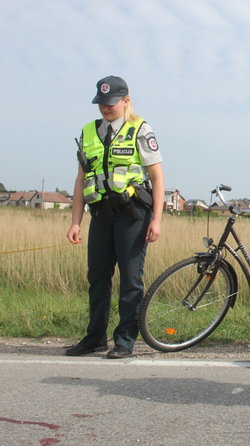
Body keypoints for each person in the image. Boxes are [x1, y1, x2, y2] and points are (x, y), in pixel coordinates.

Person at [66, 75, 165, 359]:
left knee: (131, 279)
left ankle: (125, 340)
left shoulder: (140, 129)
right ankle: (95, 338)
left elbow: (157, 179)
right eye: (101, 103)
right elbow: (80, 180)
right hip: (100, 214)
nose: (105, 108)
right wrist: (75, 221)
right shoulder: (88, 132)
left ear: (126, 101)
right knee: (97, 277)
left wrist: (157, 220)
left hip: (132, 216)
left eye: (111, 103)